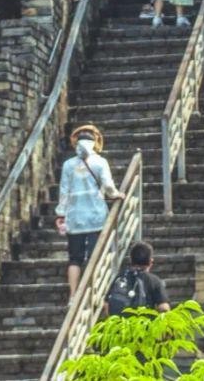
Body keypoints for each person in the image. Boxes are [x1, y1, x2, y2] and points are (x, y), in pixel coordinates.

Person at [55, 124, 123, 300]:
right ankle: (93, 293)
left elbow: (64, 191)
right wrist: (116, 194)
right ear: (95, 143)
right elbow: (108, 186)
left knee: (74, 258)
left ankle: (73, 295)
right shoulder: (100, 162)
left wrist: (61, 213)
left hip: (74, 217)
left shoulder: (68, 165)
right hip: (96, 216)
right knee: (95, 256)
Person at [105, 241, 170, 316]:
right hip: (143, 325)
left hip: (120, 325)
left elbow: (106, 304)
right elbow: (164, 308)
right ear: (150, 261)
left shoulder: (120, 277)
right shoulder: (154, 281)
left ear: (131, 260)